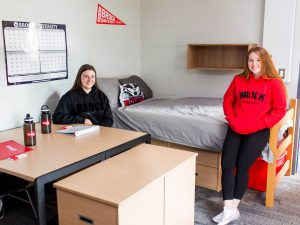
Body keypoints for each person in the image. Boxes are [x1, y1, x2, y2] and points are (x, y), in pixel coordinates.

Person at [213, 47, 287, 225]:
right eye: (250, 60)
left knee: (242, 166)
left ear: (264, 61)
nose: (253, 64)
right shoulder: (239, 79)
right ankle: (228, 209)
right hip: (236, 127)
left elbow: (279, 110)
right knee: (227, 164)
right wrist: (232, 120)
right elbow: (227, 100)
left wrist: (260, 124)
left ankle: (231, 210)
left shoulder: (274, 83)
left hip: (258, 130)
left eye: (257, 60)